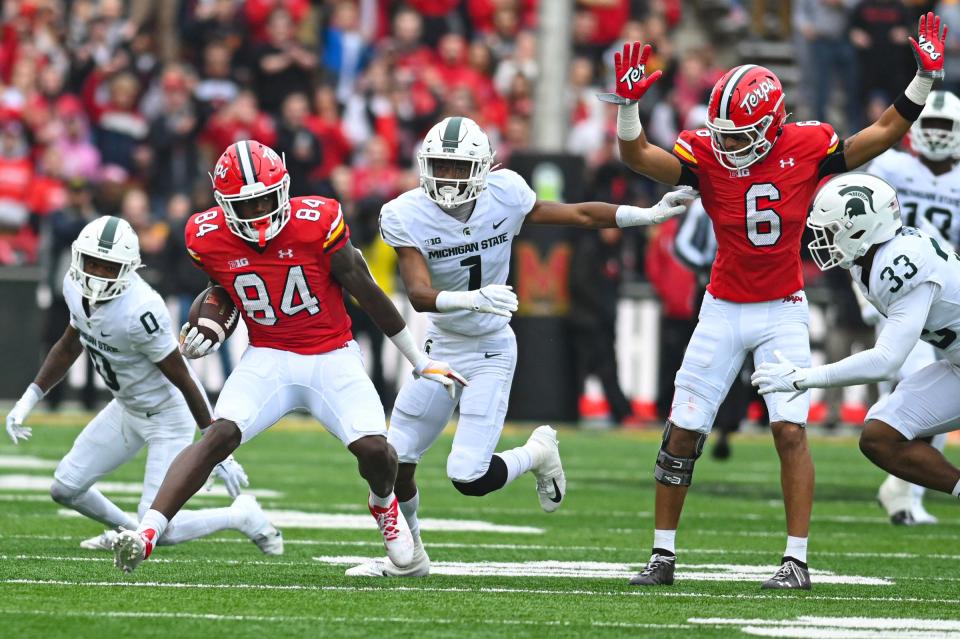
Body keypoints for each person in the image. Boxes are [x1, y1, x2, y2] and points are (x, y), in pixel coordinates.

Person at [597, 12, 947, 589]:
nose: (726, 145)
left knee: (789, 430)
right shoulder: (707, 152)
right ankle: (661, 556)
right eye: (722, 133)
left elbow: (881, 133)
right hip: (722, 305)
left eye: (738, 135)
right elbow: (640, 159)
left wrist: (924, 81)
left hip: (784, 306)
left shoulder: (807, 144)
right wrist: (628, 110)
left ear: (770, 124)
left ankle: (796, 560)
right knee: (683, 428)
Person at [347, 116, 694, 577]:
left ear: (483, 167)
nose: (447, 178)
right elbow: (417, 292)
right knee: (395, 461)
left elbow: (576, 214)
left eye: (457, 167)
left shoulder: (505, 193)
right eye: (440, 166)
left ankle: (537, 452)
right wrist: (473, 298)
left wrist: (644, 215)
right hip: (439, 346)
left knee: (468, 477)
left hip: (490, 348)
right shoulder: (405, 212)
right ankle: (412, 559)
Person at [111, 140, 466, 574]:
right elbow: (224, 288)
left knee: (377, 452)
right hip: (269, 356)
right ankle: (147, 532)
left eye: (265, 199)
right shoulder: (204, 236)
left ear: (283, 189)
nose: (259, 213)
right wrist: (207, 322)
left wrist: (417, 359)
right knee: (217, 437)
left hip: (331, 353)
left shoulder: (318, 222)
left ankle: (384, 503)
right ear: (223, 205)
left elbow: (366, 290)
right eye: (247, 204)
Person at [4, 216, 280, 555]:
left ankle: (240, 516)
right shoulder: (73, 287)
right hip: (125, 407)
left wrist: (216, 448)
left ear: (128, 268)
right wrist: (29, 399)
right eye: (91, 262)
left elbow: (184, 378)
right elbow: (68, 344)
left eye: (107, 266)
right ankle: (131, 531)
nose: (96, 273)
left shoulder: (141, 311)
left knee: (162, 529)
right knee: (65, 488)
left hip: (167, 417)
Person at [752, 173, 960, 513]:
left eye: (834, 230)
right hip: (956, 364)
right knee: (881, 437)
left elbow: (886, 361)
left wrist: (803, 377)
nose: (826, 239)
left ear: (863, 228)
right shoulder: (872, 258)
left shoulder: (900, 264)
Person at [864, 89, 960, 525]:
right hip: (897, 294)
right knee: (913, 379)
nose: (937, 135)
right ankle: (905, 497)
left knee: (926, 399)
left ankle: (904, 492)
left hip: (945, 300)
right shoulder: (890, 168)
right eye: (931, 125)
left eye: (946, 127)